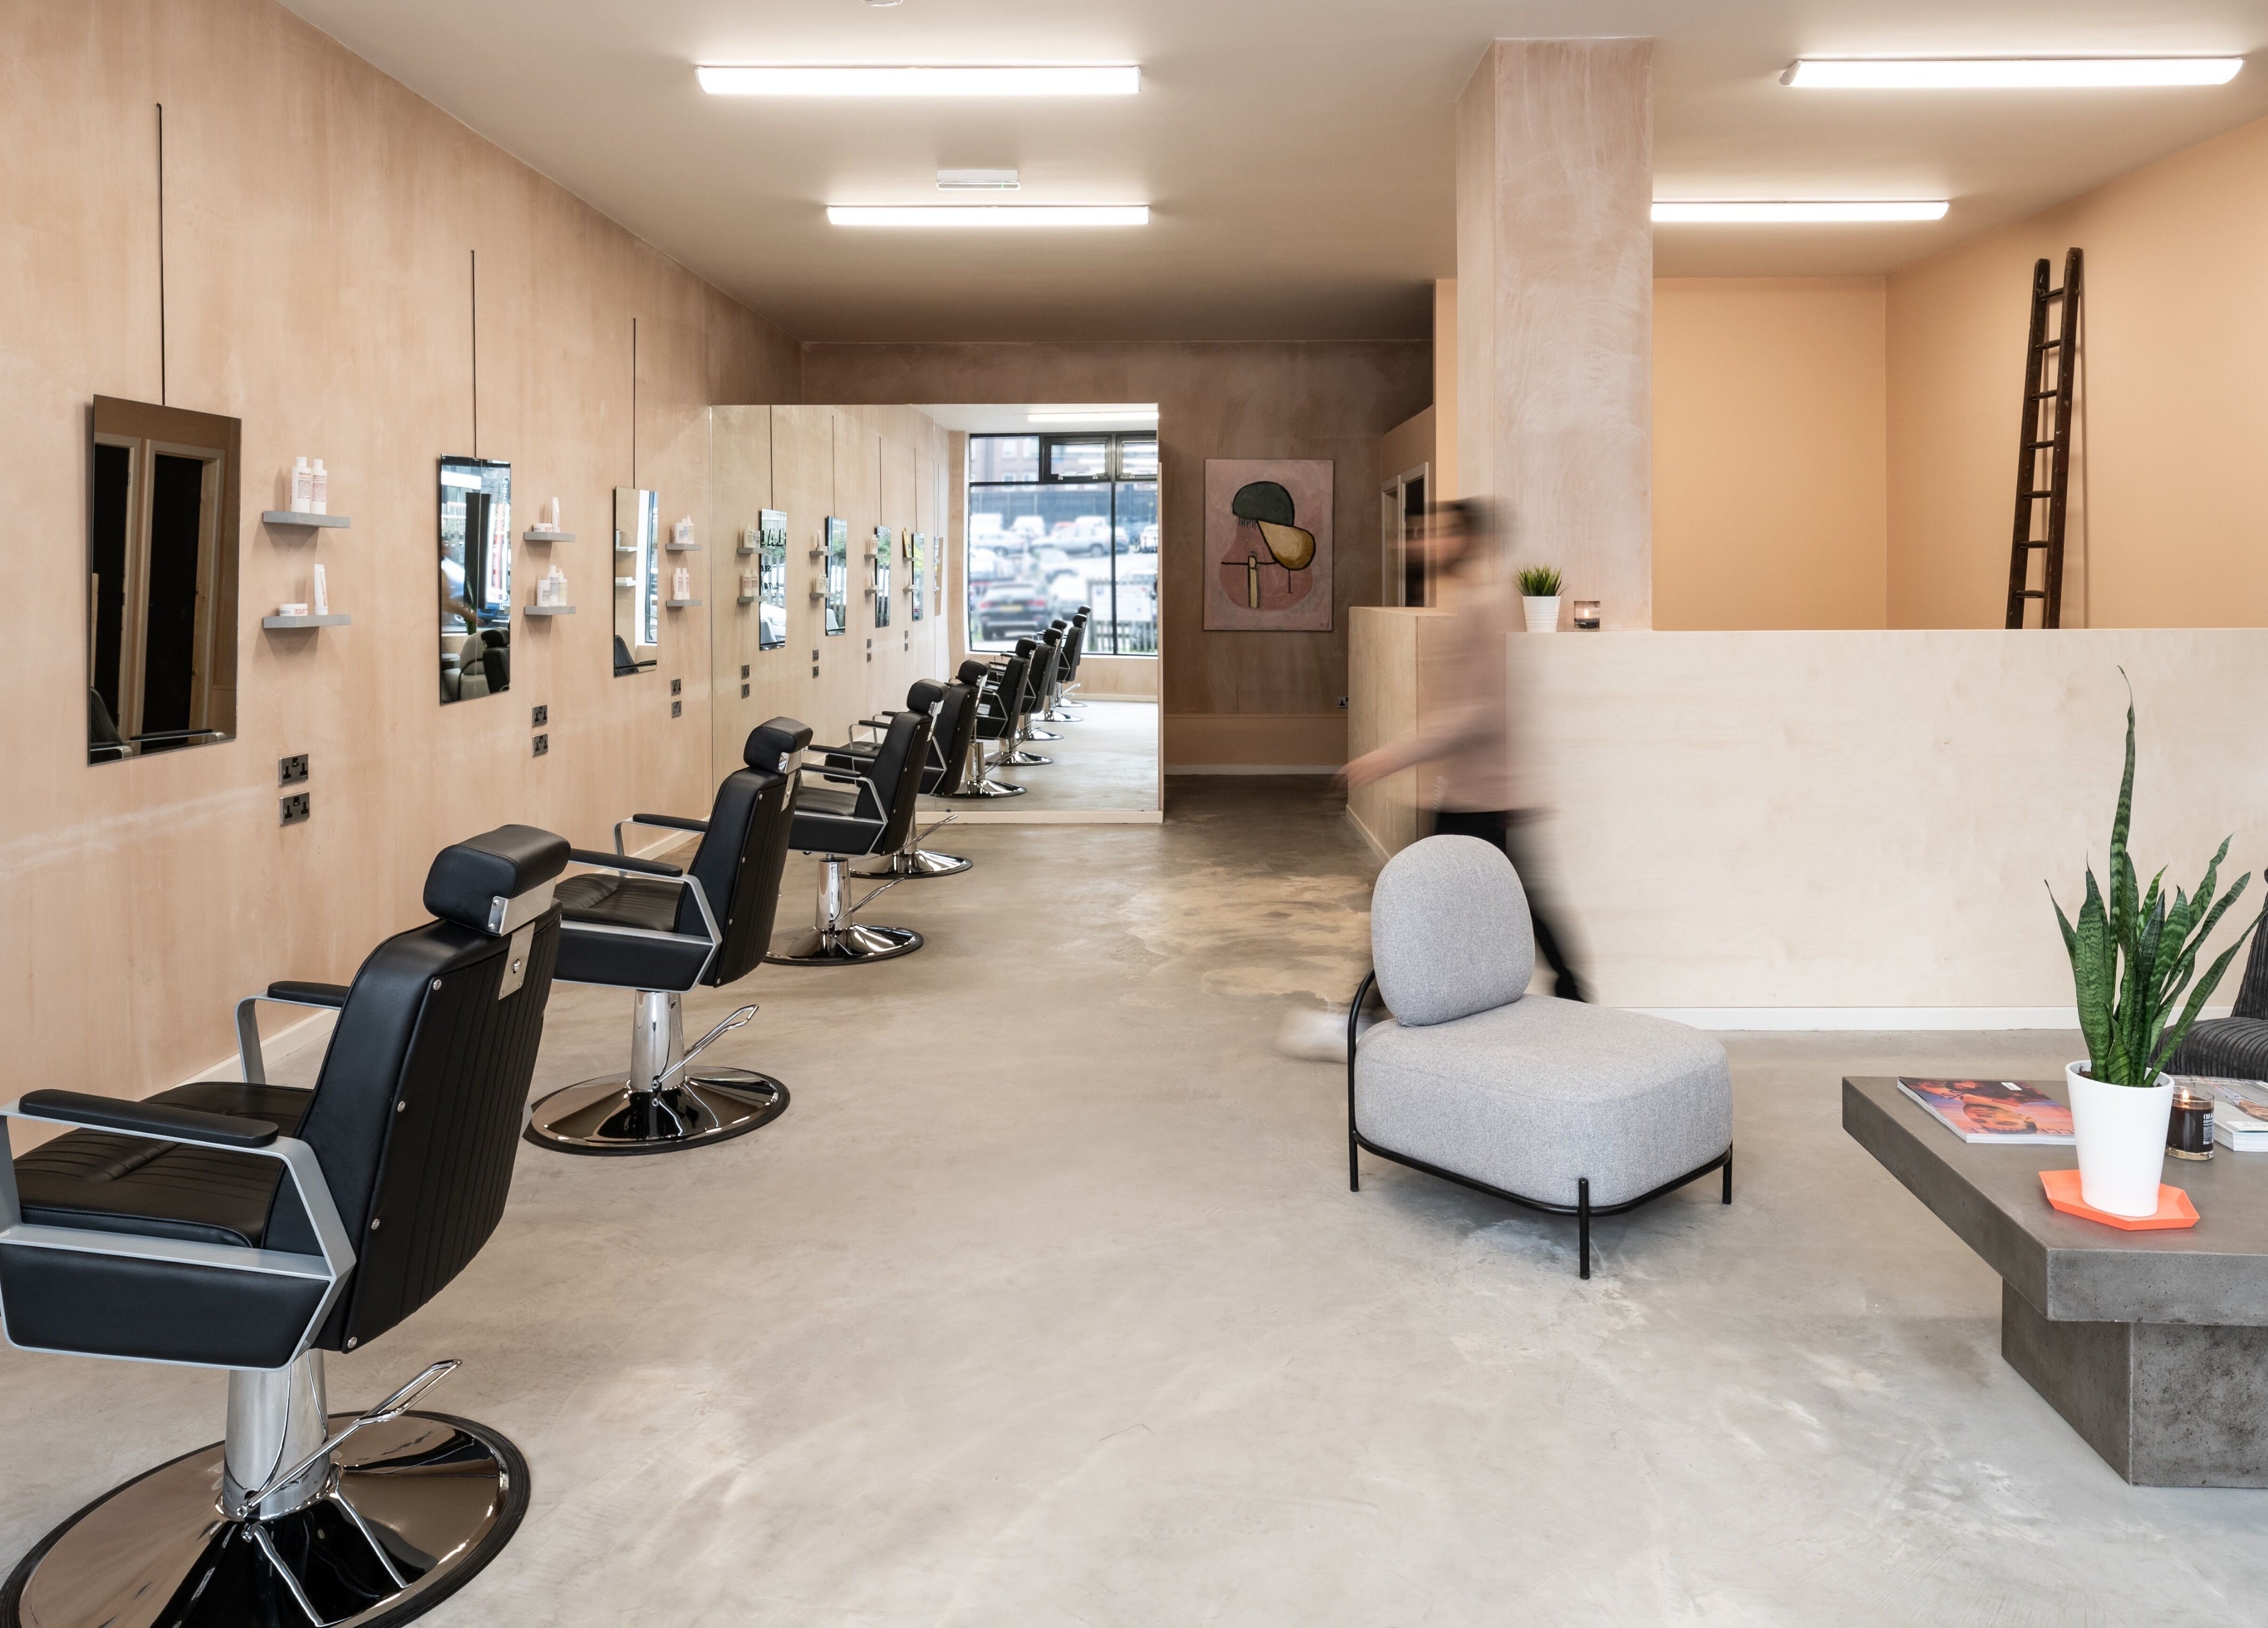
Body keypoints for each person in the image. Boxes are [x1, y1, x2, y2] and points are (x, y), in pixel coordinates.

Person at [1338, 499, 1591, 1003]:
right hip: (1475, 791)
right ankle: (1576, 998)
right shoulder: (1475, 601)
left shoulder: (1484, 604)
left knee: (1426, 899)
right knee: (1507, 901)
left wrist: (1392, 755)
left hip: (1484, 795)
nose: (1423, 542)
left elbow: (1480, 713)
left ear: (1465, 540)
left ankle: (1366, 1008)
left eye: (1435, 533)